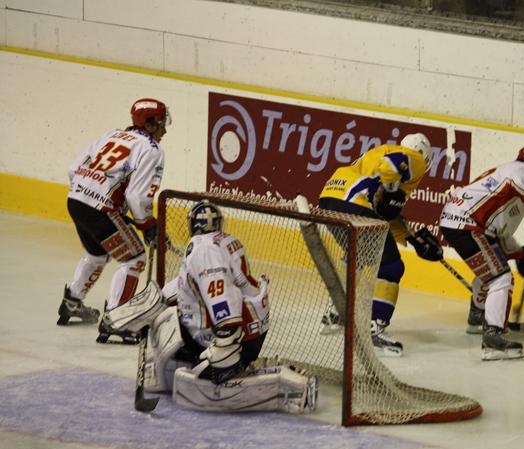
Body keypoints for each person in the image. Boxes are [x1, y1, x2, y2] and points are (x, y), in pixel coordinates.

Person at [104, 199, 317, 413]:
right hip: (240, 328)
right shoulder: (217, 242)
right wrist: (151, 304)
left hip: (235, 333)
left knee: (206, 380)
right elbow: (185, 284)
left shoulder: (203, 249)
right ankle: (200, 359)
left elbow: (221, 291)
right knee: (166, 318)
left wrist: (226, 343)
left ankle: (286, 384)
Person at [317, 133, 443, 357]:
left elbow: (384, 215)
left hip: (329, 198)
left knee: (359, 255)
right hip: (354, 204)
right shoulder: (414, 158)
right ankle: (375, 326)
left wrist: (412, 238)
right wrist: (393, 190)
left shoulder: (378, 153)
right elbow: (390, 168)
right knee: (392, 267)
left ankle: (335, 311)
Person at [57, 98, 170, 345]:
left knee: (97, 254)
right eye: (161, 123)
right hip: (101, 210)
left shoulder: (111, 134)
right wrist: (147, 224)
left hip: (75, 201)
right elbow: (137, 196)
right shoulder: (151, 149)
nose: (164, 129)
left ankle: (72, 301)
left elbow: (73, 168)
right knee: (134, 258)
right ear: (150, 125)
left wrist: (92, 191)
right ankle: (118, 320)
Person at [438, 144, 524, 361]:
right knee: (500, 277)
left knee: (492, 271)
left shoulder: (503, 180)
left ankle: (477, 317)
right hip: (467, 224)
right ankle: (493, 337)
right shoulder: (521, 171)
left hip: (460, 221)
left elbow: (496, 234)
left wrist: (520, 254)